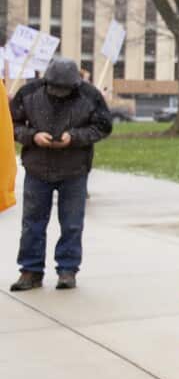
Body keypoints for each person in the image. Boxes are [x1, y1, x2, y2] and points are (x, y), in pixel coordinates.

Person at [10, 57, 113, 291]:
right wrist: (33, 135)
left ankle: (67, 270)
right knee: (32, 223)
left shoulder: (90, 96)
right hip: (37, 167)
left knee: (72, 224)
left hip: (74, 168)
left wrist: (74, 137)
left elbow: (103, 126)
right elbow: (11, 125)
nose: (59, 94)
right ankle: (30, 270)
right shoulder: (28, 93)